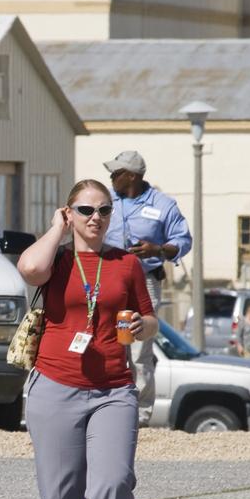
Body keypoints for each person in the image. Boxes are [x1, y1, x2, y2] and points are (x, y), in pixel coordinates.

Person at [17, 178, 157, 499]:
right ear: (68, 213)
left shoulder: (126, 264)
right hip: (55, 386)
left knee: (113, 483)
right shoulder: (56, 259)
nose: (95, 218)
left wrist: (141, 327)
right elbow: (27, 269)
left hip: (113, 389)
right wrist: (58, 230)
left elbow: (150, 318)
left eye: (103, 210)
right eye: (84, 210)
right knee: (61, 496)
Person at [103, 150, 192, 427]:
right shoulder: (105, 200)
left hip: (144, 282)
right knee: (106, 343)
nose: (111, 177)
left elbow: (183, 240)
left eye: (116, 173)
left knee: (139, 350)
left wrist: (158, 249)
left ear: (131, 176)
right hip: (106, 281)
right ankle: (108, 406)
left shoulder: (163, 205)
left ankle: (138, 415)